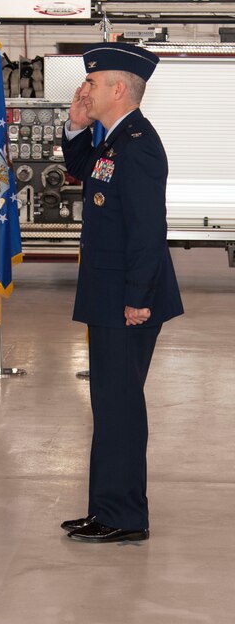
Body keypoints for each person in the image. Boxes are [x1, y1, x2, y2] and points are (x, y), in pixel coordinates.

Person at [60, 42, 183, 543]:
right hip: (109, 294)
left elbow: (148, 229)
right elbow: (84, 170)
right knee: (109, 406)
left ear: (117, 89)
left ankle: (125, 516)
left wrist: (138, 296)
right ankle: (106, 508)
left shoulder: (138, 143)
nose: (84, 88)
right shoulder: (110, 138)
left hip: (128, 300)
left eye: (92, 82)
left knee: (121, 408)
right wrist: (74, 124)